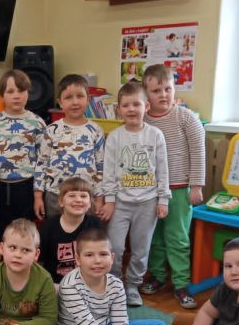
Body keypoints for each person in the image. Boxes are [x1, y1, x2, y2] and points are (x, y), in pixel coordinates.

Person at [57, 229, 169, 325]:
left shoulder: (116, 284)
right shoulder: (70, 285)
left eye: (103, 254)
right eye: (89, 255)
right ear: (78, 259)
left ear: (112, 257)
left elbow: (121, 323)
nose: (97, 261)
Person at [140, 64, 206, 309]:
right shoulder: (143, 118)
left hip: (179, 188)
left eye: (168, 89)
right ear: (146, 94)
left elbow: (198, 152)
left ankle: (181, 284)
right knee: (154, 237)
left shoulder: (185, 117)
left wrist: (196, 186)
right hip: (149, 190)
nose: (163, 95)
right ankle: (157, 276)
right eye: (156, 91)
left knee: (177, 238)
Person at [100, 82, 170, 307]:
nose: (131, 109)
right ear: (118, 109)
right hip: (120, 203)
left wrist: (163, 199)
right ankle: (114, 283)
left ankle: (132, 285)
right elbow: (108, 171)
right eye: (126, 105)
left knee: (141, 249)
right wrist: (109, 200)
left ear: (146, 107)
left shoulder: (155, 135)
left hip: (148, 203)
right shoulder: (115, 137)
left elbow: (162, 169)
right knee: (115, 246)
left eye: (136, 104)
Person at [34, 74, 105, 221]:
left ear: (88, 99)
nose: (75, 102)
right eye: (68, 97)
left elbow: (101, 166)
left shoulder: (96, 130)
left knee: (85, 234)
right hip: (55, 195)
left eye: (80, 96)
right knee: (55, 232)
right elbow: (42, 163)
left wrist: (99, 198)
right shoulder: (51, 130)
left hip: (85, 196)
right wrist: (38, 196)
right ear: (60, 102)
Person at [0, 69, 46, 238]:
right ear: (2, 95)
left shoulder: (37, 123)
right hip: (0, 188)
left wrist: (38, 195)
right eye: (10, 91)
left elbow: (43, 161)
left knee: (25, 233)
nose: (16, 96)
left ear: (28, 93)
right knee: (3, 233)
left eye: (21, 91)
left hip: (26, 187)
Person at [39, 176, 102, 284]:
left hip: (86, 282)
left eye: (83, 196)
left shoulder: (95, 225)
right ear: (61, 202)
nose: (78, 200)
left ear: (89, 203)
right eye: (72, 195)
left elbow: (99, 258)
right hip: (55, 284)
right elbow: (39, 261)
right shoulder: (48, 227)